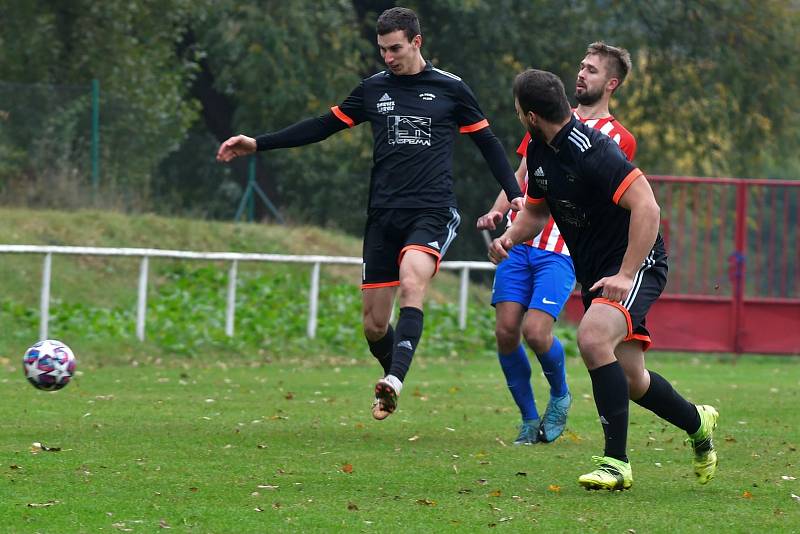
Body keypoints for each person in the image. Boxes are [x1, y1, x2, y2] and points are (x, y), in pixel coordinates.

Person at [216, 7, 524, 420]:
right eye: (382, 50)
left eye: (395, 48)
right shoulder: (373, 89)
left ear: (417, 42)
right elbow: (322, 126)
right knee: (375, 325)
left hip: (432, 210)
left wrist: (514, 193)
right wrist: (258, 143)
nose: (388, 57)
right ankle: (391, 376)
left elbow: (488, 144)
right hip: (383, 216)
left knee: (414, 280)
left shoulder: (451, 89)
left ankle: (395, 380)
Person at [488, 69, 718, 490]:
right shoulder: (540, 151)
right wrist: (508, 235)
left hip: (637, 262)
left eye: (519, 110)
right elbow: (537, 213)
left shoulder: (593, 149)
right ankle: (697, 422)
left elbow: (648, 207)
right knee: (633, 380)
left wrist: (627, 273)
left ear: (531, 115)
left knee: (592, 338)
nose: (519, 116)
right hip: (600, 271)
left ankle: (616, 463)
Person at [476, 42, 636, 445]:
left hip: (561, 250)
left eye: (592, 70)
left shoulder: (614, 139)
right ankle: (529, 418)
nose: (581, 74)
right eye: (581, 67)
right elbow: (523, 175)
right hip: (522, 238)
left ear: (611, 83)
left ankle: (561, 396)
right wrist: (500, 213)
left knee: (535, 330)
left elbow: (615, 200)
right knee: (506, 330)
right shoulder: (544, 122)